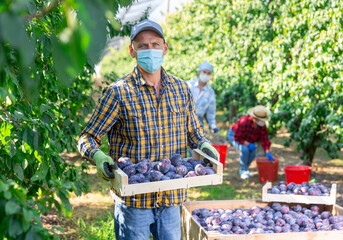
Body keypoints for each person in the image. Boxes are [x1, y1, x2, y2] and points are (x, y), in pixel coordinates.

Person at [77, 19, 220, 240]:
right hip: (135, 201)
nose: (149, 50)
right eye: (142, 45)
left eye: (155, 44)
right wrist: (97, 155)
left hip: (172, 198)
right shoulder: (118, 92)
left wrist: (204, 144)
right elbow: (88, 136)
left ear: (165, 48)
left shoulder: (181, 90)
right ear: (132, 51)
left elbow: (194, 132)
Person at [227, 105, 274, 180]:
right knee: (244, 149)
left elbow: (264, 138)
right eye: (261, 120)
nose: (263, 122)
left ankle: (245, 169)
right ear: (255, 118)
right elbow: (237, 137)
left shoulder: (261, 126)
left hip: (246, 138)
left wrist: (267, 151)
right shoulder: (244, 121)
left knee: (253, 152)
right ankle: (242, 170)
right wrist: (248, 144)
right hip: (234, 135)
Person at [187, 62, 218, 133]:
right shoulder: (188, 85)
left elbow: (211, 111)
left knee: (196, 142)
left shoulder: (210, 92)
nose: (206, 75)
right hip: (184, 118)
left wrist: (213, 125)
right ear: (199, 72)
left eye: (208, 73)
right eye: (204, 72)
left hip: (198, 122)